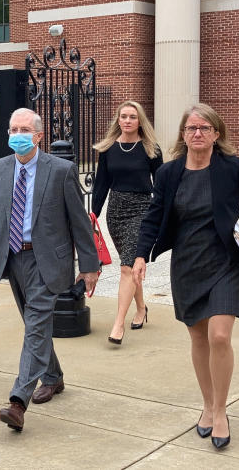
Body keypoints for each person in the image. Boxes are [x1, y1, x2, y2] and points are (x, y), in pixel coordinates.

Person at [132, 103, 239, 451]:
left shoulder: (230, 167)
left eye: (203, 128)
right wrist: (140, 255)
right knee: (199, 337)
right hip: (187, 263)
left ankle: (221, 410)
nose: (197, 134)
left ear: (216, 133)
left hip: (226, 261)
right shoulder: (170, 174)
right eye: (190, 129)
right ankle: (208, 404)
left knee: (219, 336)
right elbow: (154, 217)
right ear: (183, 135)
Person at [0, 108, 100, 432]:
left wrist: (90, 266)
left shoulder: (61, 170)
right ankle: (53, 376)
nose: (18, 134)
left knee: (35, 325)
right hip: (12, 259)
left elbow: (79, 221)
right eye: (13, 128)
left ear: (38, 136)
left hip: (47, 260)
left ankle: (17, 402)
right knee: (33, 323)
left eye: (25, 129)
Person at [91, 100, 162, 345]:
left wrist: (163, 213)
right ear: (118, 120)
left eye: (133, 116)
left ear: (140, 120)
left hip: (143, 209)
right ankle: (141, 308)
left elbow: (161, 184)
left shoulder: (151, 148)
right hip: (116, 211)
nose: (128, 120)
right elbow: (101, 184)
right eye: (124, 116)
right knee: (132, 267)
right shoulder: (108, 148)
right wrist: (93, 214)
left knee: (127, 268)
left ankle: (118, 324)